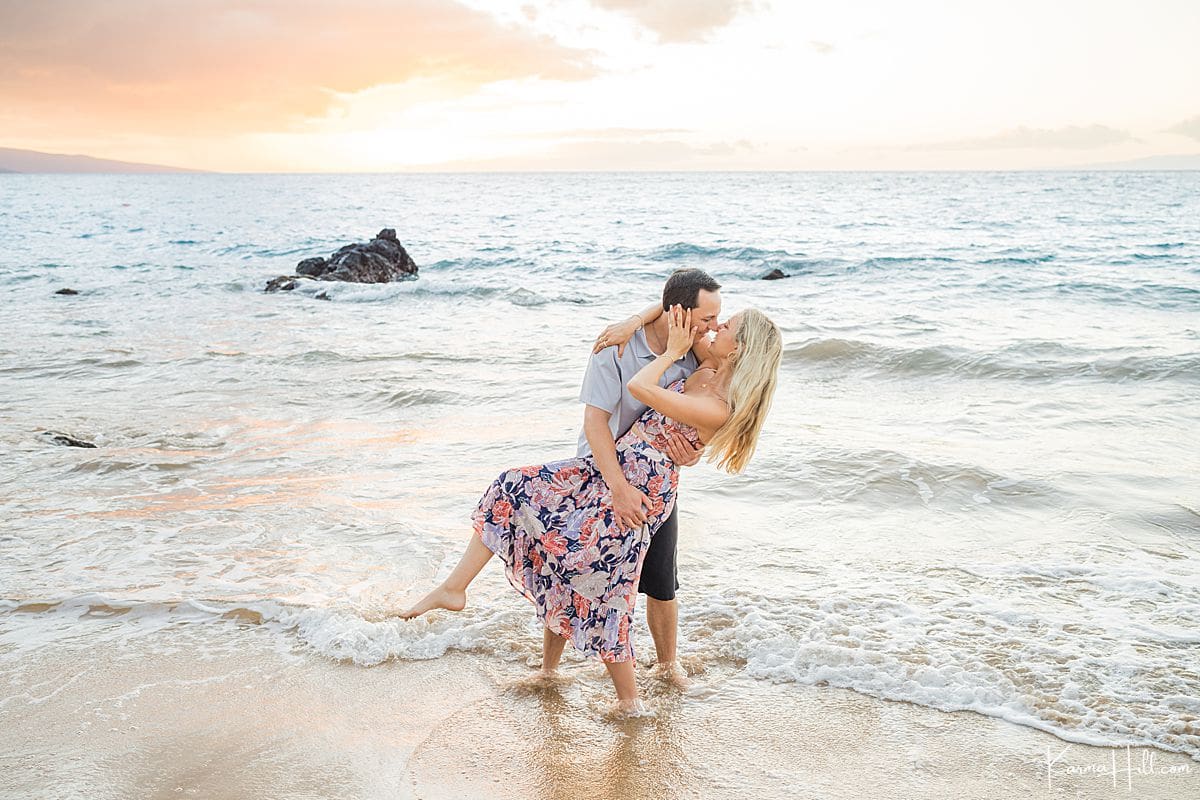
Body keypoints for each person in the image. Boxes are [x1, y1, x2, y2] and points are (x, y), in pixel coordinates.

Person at [399, 298, 784, 714]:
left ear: (739, 350)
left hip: (640, 493)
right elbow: (678, 304)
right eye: (719, 321)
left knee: (606, 586)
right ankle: (456, 589)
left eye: (727, 326)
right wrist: (633, 322)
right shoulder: (708, 364)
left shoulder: (717, 406)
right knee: (512, 489)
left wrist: (670, 356)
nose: (716, 327)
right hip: (606, 470)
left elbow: (641, 388)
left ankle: (630, 703)